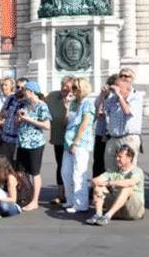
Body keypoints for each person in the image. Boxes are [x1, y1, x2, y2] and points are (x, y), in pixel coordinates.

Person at [85, 145, 145, 225]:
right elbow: (95, 180)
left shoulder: (137, 171)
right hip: (117, 211)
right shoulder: (113, 170)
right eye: (117, 156)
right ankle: (98, 215)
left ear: (129, 158)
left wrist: (109, 183)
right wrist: (99, 187)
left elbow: (131, 182)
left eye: (120, 157)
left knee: (127, 188)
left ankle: (107, 216)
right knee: (99, 187)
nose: (117, 159)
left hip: (133, 211)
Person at [14, 80, 50, 209]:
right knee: (20, 172)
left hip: (35, 143)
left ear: (31, 91)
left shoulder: (42, 106)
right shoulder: (24, 104)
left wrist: (28, 119)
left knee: (35, 172)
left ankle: (35, 201)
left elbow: (47, 125)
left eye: (25, 90)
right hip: (22, 142)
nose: (23, 92)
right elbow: (17, 123)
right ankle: (28, 194)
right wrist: (18, 117)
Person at [62, 77, 96, 214]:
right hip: (68, 141)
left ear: (83, 88)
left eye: (75, 87)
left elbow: (84, 124)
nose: (73, 90)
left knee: (79, 173)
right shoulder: (74, 103)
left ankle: (81, 204)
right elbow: (66, 122)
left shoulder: (88, 103)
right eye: (73, 87)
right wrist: (66, 108)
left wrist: (76, 142)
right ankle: (70, 199)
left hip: (80, 143)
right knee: (66, 172)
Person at [102, 68, 145, 171]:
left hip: (128, 138)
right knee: (110, 169)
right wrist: (104, 95)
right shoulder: (113, 98)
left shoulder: (136, 96)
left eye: (118, 88)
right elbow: (101, 112)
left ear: (127, 89)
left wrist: (120, 96)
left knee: (127, 170)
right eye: (121, 76)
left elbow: (127, 111)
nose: (116, 90)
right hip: (113, 138)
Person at [46, 76, 73, 206]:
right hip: (58, 138)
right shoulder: (52, 96)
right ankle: (61, 194)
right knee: (61, 166)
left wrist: (68, 106)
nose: (64, 88)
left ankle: (72, 194)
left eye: (67, 86)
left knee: (73, 167)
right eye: (63, 85)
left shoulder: (76, 99)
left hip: (73, 140)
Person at [0, 77, 23, 161]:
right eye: (2, 85)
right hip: (0, 132)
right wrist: (2, 126)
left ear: (12, 86)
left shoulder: (17, 98)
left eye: (6, 85)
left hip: (13, 134)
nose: (3, 87)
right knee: (1, 158)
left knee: (14, 160)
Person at [91, 75, 116, 177]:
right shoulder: (102, 96)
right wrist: (102, 95)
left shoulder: (117, 97)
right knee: (98, 160)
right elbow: (96, 109)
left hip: (112, 133)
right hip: (100, 133)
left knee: (111, 161)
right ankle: (97, 182)